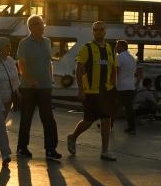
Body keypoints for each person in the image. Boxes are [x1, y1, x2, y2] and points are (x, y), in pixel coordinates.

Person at [66, 21, 118, 161]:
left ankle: (105, 151)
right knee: (88, 121)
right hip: (91, 92)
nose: (98, 32)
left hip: (106, 91)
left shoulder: (110, 48)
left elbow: (114, 68)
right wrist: (81, 90)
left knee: (106, 120)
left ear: (105, 31)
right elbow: (79, 69)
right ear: (93, 32)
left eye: (101, 29)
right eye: (96, 30)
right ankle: (73, 137)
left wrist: (113, 83)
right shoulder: (86, 48)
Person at [15, 15, 62, 159]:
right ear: (31, 27)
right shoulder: (24, 43)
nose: (42, 26)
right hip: (29, 88)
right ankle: (22, 148)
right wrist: (30, 80)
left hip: (45, 87)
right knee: (26, 118)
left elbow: (49, 62)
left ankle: (50, 150)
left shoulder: (47, 42)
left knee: (48, 118)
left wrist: (51, 79)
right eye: (39, 24)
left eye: (42, 23)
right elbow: (21, 65)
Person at [115, 39, 138, 134]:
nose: (116, 48)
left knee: (114, 106)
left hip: (121, 86)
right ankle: (132, 127)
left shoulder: (119, 57)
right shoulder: (132, 58)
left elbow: (117, 71)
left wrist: (113, 83)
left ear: (122, 47)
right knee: (128, 108)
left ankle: (108, 124)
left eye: (117, 46)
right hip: (130, 86)